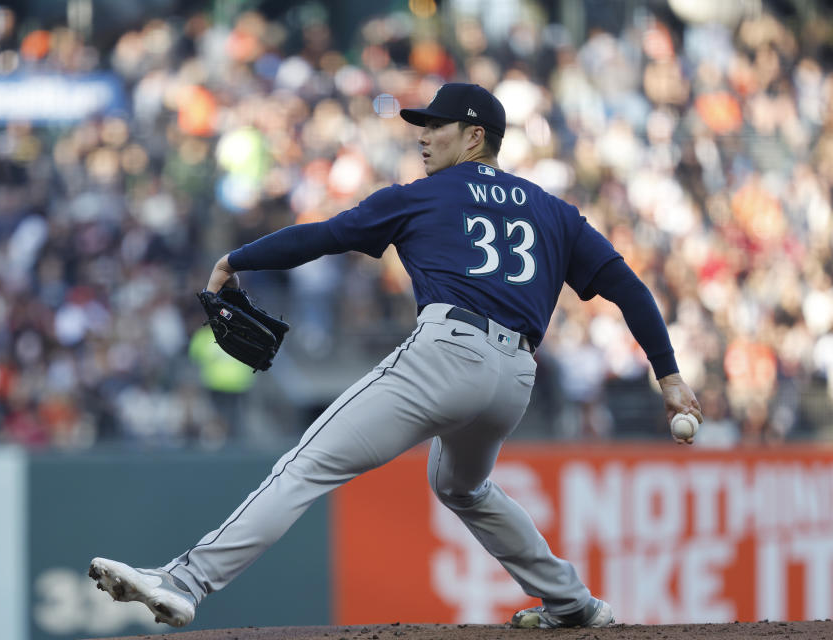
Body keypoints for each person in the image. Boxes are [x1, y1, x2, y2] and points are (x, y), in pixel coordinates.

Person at [89, 83, 703, 629]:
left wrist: (237, 259)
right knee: (463, 486)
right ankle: (573, 604)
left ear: (475, 136)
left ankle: (184, 581)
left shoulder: (421, 197)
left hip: (448, 353)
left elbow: (323, 236)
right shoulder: (554, 211)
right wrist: (669, 375)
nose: (423, 136)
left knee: (305, 464)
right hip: (515, 379)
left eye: (435, 126)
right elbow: (628, 286)